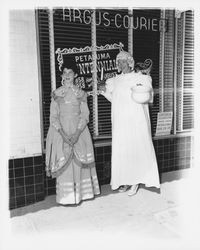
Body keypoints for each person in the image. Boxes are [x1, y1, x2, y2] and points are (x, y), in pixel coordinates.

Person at [99, 51, 160, 196]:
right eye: (118, 61)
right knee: (123, 151)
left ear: (130, 62)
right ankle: (125, 180)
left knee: (136, 149)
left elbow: (149, 97)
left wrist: (143, 91)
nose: (119, 64)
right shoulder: (115, 80)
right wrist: (103, 91)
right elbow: (114, 99)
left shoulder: (142, 78)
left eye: (122, 61)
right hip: (121, 121)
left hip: (136, 121)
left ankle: (135, 181)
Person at [45, 61, 100, 205]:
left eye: (70, 72)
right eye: (64, 72)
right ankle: (67, 197)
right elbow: (53, 117)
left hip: (79, 133)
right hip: (61, 133)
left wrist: (76, 133)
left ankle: (83, 195)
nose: (67, 75)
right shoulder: (56, 94)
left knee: (80, 165)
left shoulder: (81, 94)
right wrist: (63, 134)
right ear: (62, 75)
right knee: (65, 166)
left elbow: (85, 115)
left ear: (75, 75)